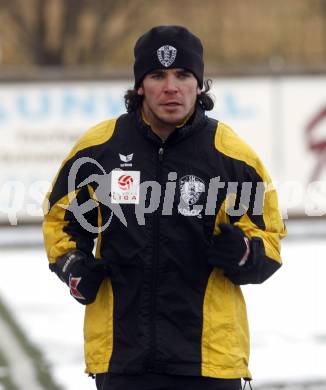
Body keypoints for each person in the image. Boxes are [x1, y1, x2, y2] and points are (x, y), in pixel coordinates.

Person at [43, 25, 287, 390]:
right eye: (157, 75)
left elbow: (269, 239)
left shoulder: (232, 157)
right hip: (124, 361)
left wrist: (245, 252)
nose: (171, 87)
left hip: (209, 363)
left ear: (200, 85)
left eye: (183, 75)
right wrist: (73, 266)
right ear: (140, 85)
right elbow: (60, 220)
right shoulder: (100, 150)